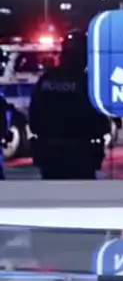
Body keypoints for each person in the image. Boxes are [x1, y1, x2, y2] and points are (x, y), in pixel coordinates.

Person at [29, 30, 111, 179]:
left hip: (50, 153)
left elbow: (34, 115)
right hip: (80, 154)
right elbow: (100, 122)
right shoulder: (87, 82)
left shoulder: (47, 78)